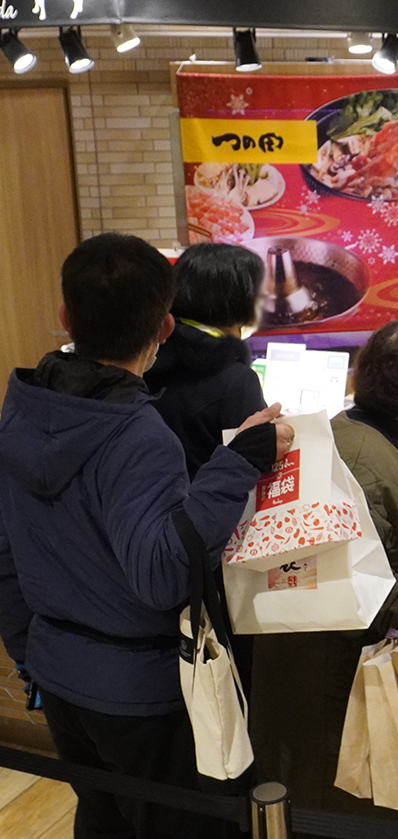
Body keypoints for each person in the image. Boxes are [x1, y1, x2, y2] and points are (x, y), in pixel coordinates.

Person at [0, 233, 292, 839]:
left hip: (58, 671)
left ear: (65, 317)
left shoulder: (21, 408)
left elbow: (5, 550)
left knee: (103, 817)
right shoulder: (137, 434)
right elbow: (160, 574)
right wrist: (238, 461)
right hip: (135, 688)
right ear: (163, 328)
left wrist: (32, 649)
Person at [250, 319, 398, 820]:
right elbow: (342, 577)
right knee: (334, 802)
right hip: (334, 680)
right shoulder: (367, 463)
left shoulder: (344, 435)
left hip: (306, 669)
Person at [146, 242, 268, 479]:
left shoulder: (145, 356)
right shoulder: (235, 379)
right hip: (212, 508)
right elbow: (255, 464)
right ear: (238, 297)